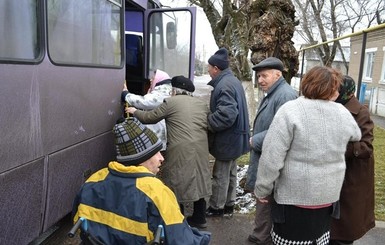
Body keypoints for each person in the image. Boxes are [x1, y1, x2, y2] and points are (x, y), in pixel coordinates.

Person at [254, 66, 361, 245]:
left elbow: (272, 156)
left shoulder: (290, 110)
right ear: (332, 89)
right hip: (327, 197)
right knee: (317, 240)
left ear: (307, 83)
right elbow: (356, 134)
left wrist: (263, 188)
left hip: (293, 198)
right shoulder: (342, 112)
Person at [72, 117, 210, 245]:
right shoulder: (156, 192)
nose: (161, 158)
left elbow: (78, 222)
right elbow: (181, 240)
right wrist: (203, 238)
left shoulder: (93, 181)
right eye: (155, 152)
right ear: (140, 158)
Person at [126, 76, 212, 229]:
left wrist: (134, 111)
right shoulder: (201, 104)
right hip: (201, 147)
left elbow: (149, 117)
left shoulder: (170, 102)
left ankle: (177, 217)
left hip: (180, 148)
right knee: (198, 178)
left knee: (175, 179)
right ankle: (199, 218)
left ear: (174, 90)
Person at [246, 57, 297, 244]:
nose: (260, 80)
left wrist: (255, 140)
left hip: (271, 158)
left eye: (264, 76)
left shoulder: (285, 95)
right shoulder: (275, 92)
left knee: (267, 199)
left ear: (278, 74)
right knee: (264, 198)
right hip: (266, 156)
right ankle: (261, 234)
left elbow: (284, 130)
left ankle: (263, 237)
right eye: (258, 76)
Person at [330, 75, 375, 245]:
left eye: (336, 88)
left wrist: (337, 147)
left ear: (344, 90)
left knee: (345, 226)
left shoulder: (360, 111)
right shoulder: (333, 106)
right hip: (334, 172)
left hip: (352, 176)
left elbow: (366, 147)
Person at [205, 48, 250, 217]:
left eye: (209, 67)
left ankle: (217, 207)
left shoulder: (224, 85)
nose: (208, 70)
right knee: (231, 173)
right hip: (236, 138)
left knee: (220, 175)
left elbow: (227, 114)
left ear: (216, 68)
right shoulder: (233, 81)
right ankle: (229, 205)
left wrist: (208, 122)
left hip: (228, 139)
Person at [121, 69, 172, 151]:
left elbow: (145, 101)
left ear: (159, 79)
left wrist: (126, 95)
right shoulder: (162, 90)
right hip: (157, 131)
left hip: (158, 132)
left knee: (156, 156)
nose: (150, 80)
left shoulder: (163, 92)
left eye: (153, 77)